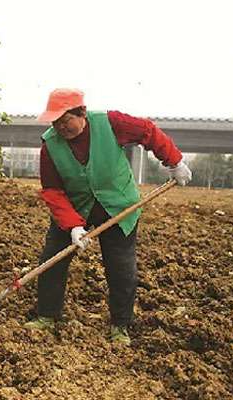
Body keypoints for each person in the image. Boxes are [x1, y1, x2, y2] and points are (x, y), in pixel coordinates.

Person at [24, 89, 192, 345]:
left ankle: (120, 326)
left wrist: (174, 162)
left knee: (120, 267)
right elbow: (53, 191)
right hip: (75, 206)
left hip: (117, 204)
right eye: (55, 122)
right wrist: (73, 226)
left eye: (65, 120)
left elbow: (147, 131)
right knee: (52, 259)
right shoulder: (50, 145)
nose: (60, 127)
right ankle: (47, 316)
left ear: (81, 112)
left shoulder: (110, 123)